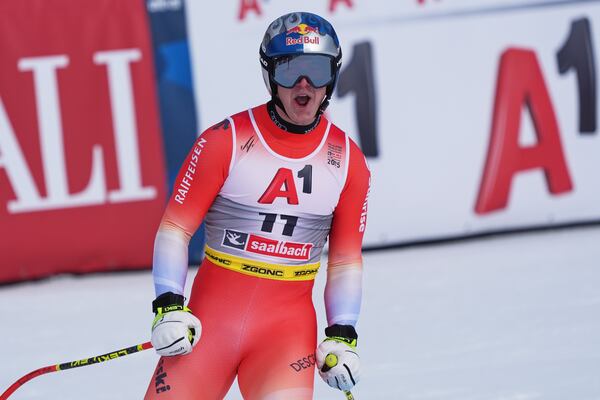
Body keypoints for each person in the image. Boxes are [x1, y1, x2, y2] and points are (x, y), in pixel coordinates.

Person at [144, 11, 371, 400]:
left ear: (332, 76)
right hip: (208, 327)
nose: (305, 84)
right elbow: (174, 230)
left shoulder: (348, 161)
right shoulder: (224, 140)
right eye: (290, 71)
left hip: (285, 337)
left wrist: (343, 335)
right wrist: (168, 306)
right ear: (270, 76)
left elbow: (347, 260)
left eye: (317, 70)